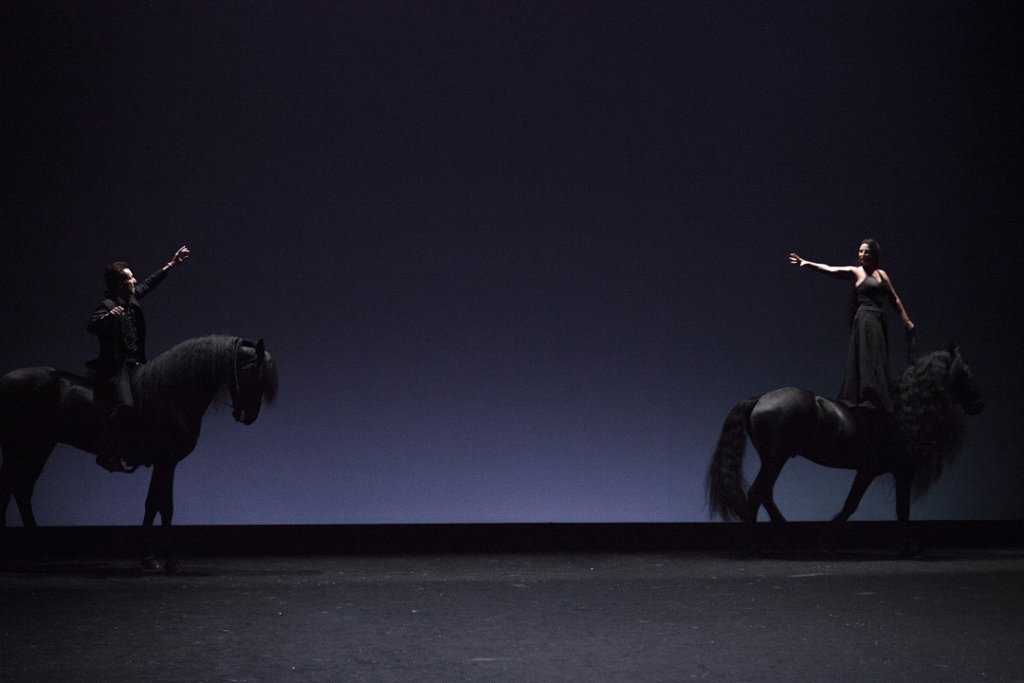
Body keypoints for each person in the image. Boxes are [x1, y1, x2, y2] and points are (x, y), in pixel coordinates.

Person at [87, 245, 191, 471]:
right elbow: (91, 326)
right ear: (118, 285)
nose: (134, 281)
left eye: (133, 277)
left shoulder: (133, 299)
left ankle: (140, 449)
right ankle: (106, 453)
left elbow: (149, 283)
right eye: (129, 279)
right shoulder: (108, 305)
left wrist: (172, 264)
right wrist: (107, 317)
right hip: (117, 369)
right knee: (125, 406)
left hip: (138, 364)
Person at [788, 239, 914, 413]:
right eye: (860, 251)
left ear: (874, 255)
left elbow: (894, 299)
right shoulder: (856, 272)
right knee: (864, 356)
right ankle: (864, 396)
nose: (862, 255)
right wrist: (807, 263)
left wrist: (906, 320)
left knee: (878, 357)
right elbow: (831, 269)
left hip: (878, 320)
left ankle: (880, 397)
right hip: (863, 319)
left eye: (866, 252)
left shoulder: (882, 274)